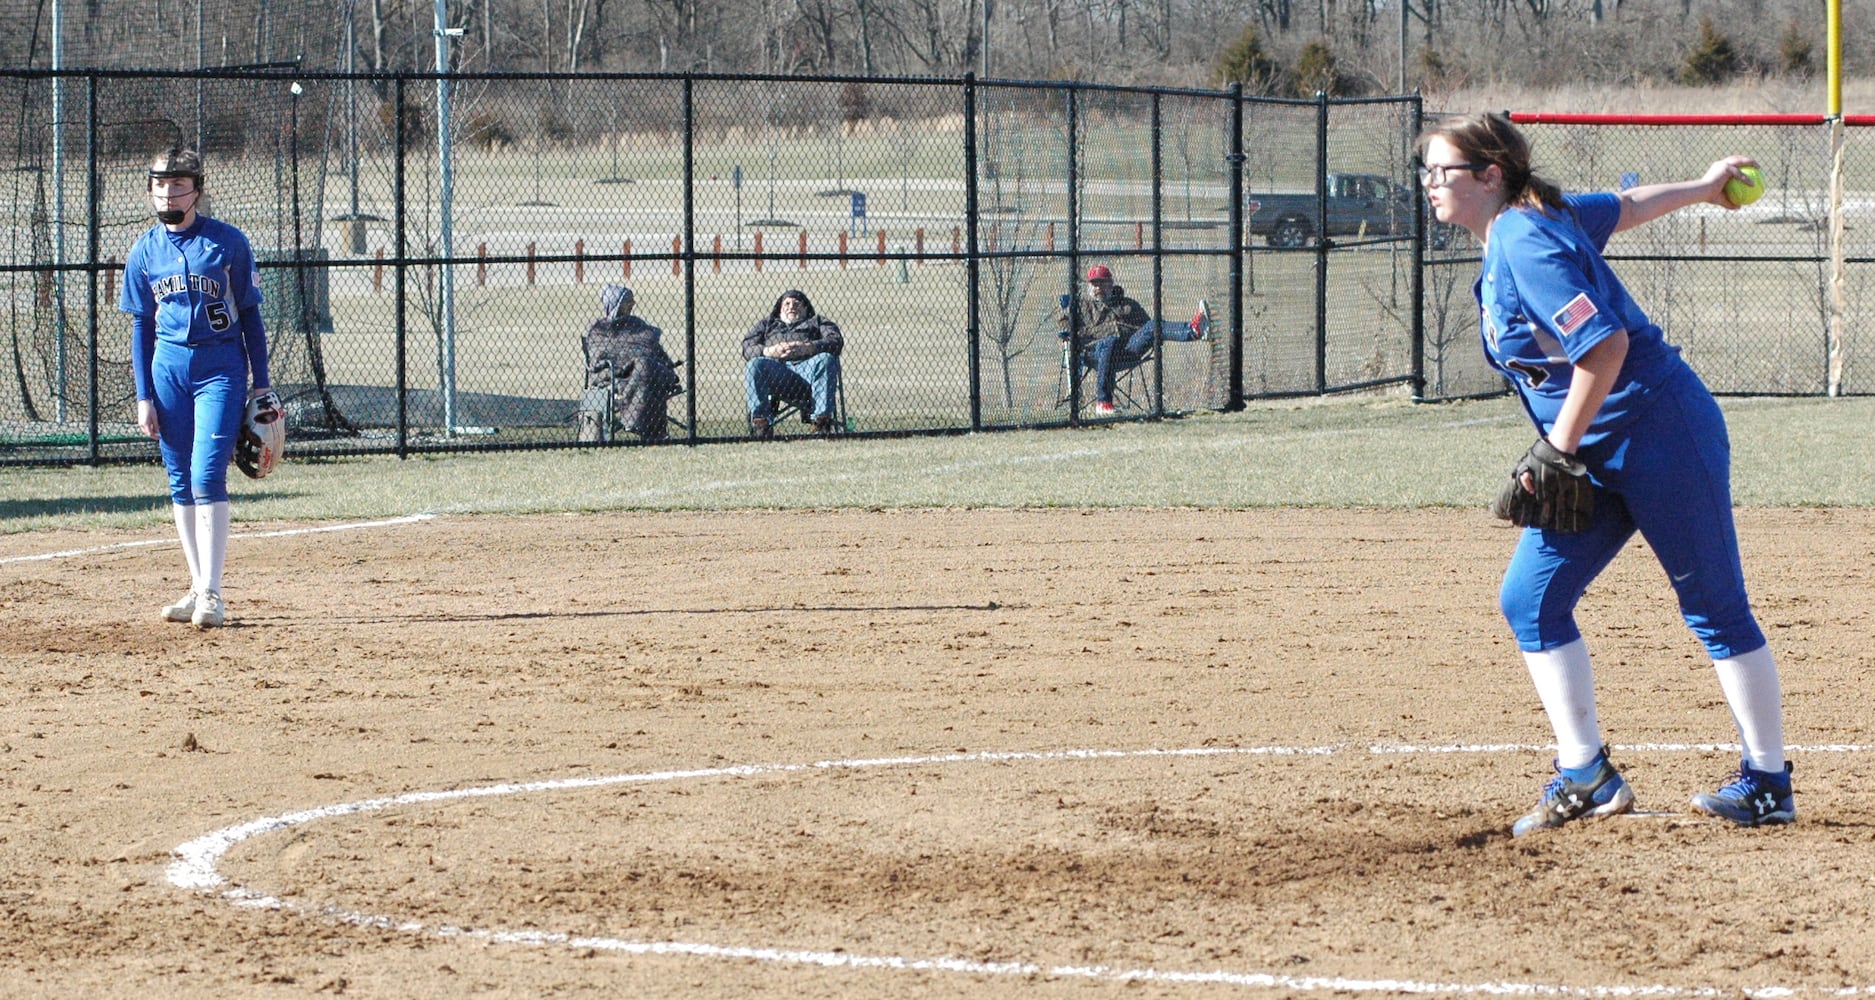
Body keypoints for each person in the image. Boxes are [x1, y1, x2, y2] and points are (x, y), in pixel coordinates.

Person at [1415, 112, 1792, 834]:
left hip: (1658, 431)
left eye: (1443, 172)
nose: (1429, 184)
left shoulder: (1524, 238)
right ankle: (1585, 775)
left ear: (1490, 176)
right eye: (1426, 171)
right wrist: (1705, 187)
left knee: (1714, 606)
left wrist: (1554, 449)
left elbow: (1604, 346)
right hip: (1593, 446)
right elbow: (1624, 206)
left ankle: (1768, 783)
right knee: (1530, 600)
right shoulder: (1531, 218)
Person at [120, 147, 273, 629]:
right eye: (161, 184)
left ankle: (213, 592)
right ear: (151, 190)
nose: (169, 192)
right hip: (168, 372)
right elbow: (141, 327)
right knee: (180, 480)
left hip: (219, 368)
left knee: (208, 474)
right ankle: (195, 585)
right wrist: (144, 395)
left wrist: (262, 386)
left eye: (179, 183)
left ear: (197, 190)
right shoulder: (145, 250)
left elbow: (250, 315)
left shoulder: (227, 243)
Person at [1057, 264, 1209, 415]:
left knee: (1153, 325)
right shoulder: (1081, 305)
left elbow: (1146, 327)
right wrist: (1088, 334)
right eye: (1095, 284)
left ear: (1111, 283)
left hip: (1127, 351)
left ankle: (1194, 330)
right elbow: (1064, 324)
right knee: (1109, 341)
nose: (1099, 288)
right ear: (1089, 286)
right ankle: (1103, 403)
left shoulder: (1127, 304)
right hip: (1094, 353)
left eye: (1103, 283)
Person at [582, 284, 681, 442]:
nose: (633, 304)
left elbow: (649, 347)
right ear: (618, 304)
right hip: (611, 376)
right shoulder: (598, 329)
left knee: (646, 368)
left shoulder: (636, 325)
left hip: (641, 373)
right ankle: (645, 427)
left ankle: (645, 426)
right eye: (629, 301)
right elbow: (600, 357)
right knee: (646, 368)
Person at [742, 289, 843, 436]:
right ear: (780, 308)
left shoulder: (817, 321)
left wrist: (809, 347)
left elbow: (836, 341)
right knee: (755, 364)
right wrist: (769, 351)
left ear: (806, 308)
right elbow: (747, 347)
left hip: (809, 370)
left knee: (826, 360)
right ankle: (762, 424)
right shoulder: (768, 324)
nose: (791, 307)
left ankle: (821, 423)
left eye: (797, 304)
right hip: (779, 373)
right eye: (787, 303)